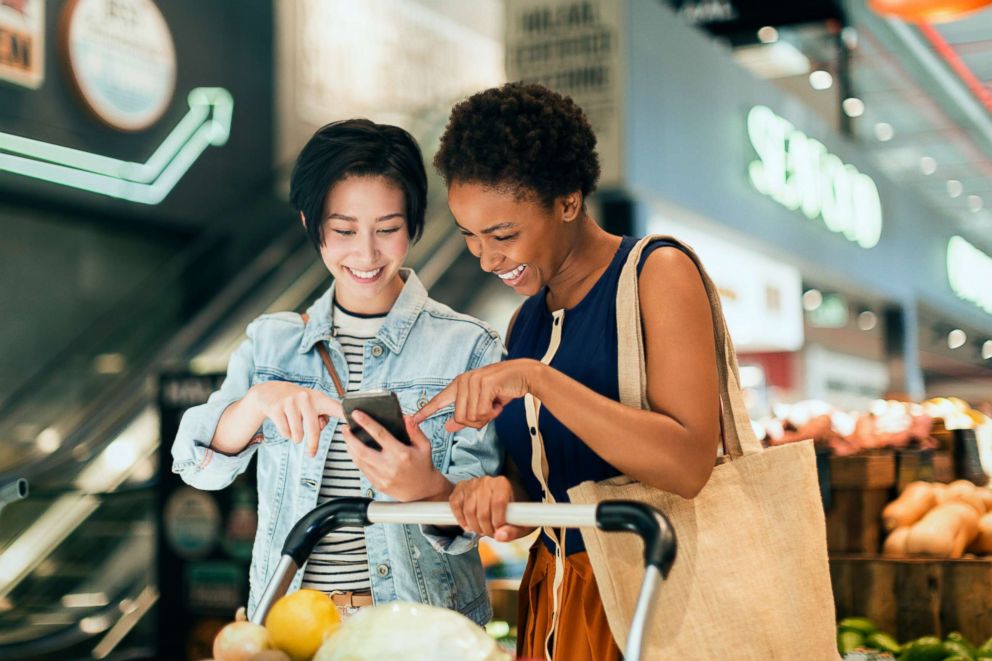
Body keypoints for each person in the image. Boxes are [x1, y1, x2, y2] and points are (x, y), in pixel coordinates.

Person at [415, 83, 722, 659]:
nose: (487, 258)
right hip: (556, 601)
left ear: (568, 201)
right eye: (470, 237)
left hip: (660, 603)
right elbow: (541, 492)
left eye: (504, 234)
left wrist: (539, 380)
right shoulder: (524, 324)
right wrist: (497, 493)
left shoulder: (655, 273)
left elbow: (688, 464)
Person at [171, 119, 502, 624]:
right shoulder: (271, 342)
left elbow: (477, 521)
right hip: (293, 630)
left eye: (387, 229)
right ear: (311, 224)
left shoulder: (468, 347)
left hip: (416, 633)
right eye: (344, 230)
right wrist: (259, 400)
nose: (366, 254)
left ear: (414, 224)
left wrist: (427, 487)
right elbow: (197, 466)